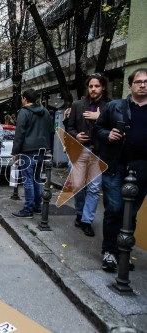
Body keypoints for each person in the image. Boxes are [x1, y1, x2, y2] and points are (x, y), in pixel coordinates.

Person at [94, 68, 147, 272]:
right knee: (115, 210)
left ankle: (122, 252)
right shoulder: (115, 106)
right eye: (138, 81)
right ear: (131, 85)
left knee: (131, 214)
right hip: (116, 167)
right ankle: (109, 252)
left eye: (146, 81)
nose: (143, 85)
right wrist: (108, 134)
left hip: (142, 170)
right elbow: (97, 129)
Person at [66, 74, 110, 237]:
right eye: (91, 86)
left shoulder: (109, 106)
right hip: (79, 150)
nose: (93, 89)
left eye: (97, 86)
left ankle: (87, 220)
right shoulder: (77, 105)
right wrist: (75, 135)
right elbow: (69, 127)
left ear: (103, 87)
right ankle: (79, 212)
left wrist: (99, 117)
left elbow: (114, 128)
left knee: (93, 188)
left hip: (98, 152)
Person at [11, 88, 54, 218]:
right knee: (37, 178)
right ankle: (37, 206)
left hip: (27, 150)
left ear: (24, 99)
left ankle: (28, 208)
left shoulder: (24, 112)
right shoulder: (45, 112)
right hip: (41, 150)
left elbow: (19, 134)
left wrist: (15, 152)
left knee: (28, 180)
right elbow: (51, 131)